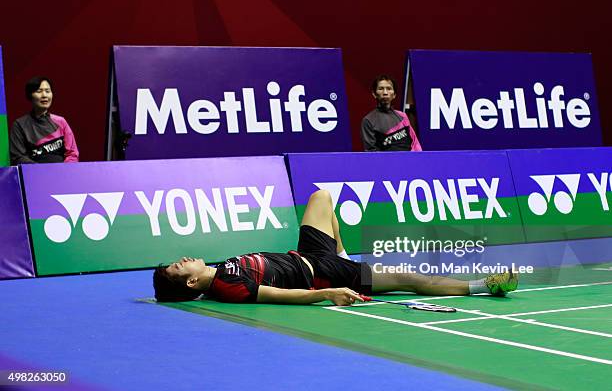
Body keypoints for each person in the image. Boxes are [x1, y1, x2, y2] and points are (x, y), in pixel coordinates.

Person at [153, 190, 518, 305]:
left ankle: (345, 255)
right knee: (407, 278)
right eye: (177, 267)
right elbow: (278, 296)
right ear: (189, 283)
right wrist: (329, 292)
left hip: (310, 254)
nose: (182, 259)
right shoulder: (226, 287)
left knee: (321, 196)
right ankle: (483, 285)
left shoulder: (220, 272)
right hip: (319, 273)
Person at [9, 76, 79, 164]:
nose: (44, 95)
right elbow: (17, 157)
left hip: (62, 173)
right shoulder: (19, 125)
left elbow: (72, 153)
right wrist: (43, 171)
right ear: (30, 95)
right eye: (39, 91)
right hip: (34, 175)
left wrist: (63, 171)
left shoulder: (61, 121)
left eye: (47, 91)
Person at [361, 74, 422, 152]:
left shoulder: (402, 116)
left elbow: (415, 144)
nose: (385, 92)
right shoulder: (368, 121)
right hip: (387, 163)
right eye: (381, 89)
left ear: (394, 95)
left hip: (409, 161)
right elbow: (371, 152)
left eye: (389, 88)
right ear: (374, 94)